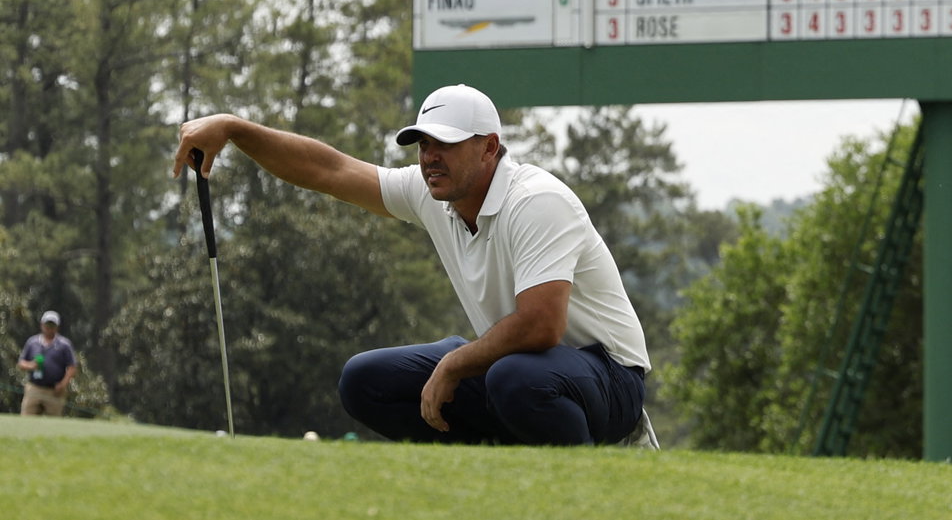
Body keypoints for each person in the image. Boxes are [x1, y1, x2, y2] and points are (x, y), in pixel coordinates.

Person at [172, 83, 653, 446]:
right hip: (519, 369)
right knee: (365, 381)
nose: (429, 157)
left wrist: (455, 362)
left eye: (445, 144)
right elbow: (331, 171)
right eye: (423, 144)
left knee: (515, 379)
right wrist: (236, 130)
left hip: (610, 377)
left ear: (489, 147)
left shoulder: (537, 200)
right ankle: (486, 472)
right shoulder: (431, 193)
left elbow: (542, 326)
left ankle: (593, 474)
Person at [17, 310, 78, 417]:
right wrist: (32, 365)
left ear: (57, 327)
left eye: (52, 325)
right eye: (47, 324)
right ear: (41, 325)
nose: (49, 328)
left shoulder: (64, 345)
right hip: (34, 388)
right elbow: (21, 363)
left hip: (54, 391)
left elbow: (72, 368)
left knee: (53, 423)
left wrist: (62, 385)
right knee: (27, 420)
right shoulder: (32, 342)